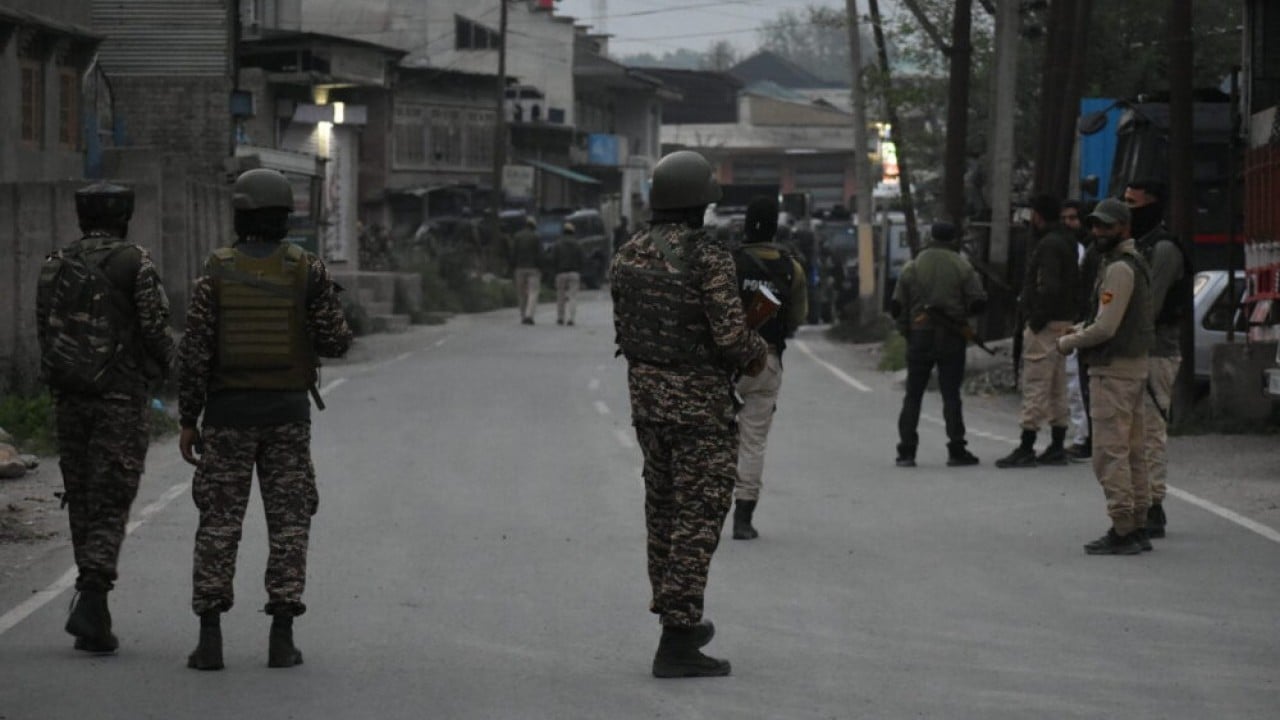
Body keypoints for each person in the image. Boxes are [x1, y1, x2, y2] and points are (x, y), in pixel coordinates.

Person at [178, 168, 353, 671]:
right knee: (289, 525)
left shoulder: (215, 268)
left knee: (218, 525)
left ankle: (209, 639)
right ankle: (282, 637)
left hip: (228, 416)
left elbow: (195, 353)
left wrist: (190, 419)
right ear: (285, 217)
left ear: (240, 214)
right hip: (287, 416)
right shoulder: (306, 269)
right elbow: (337, 340)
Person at [610, 150, 768, 679]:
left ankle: (674, 618)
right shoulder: (707, 257)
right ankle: (679, 639)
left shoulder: (627, 254)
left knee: (664, 513)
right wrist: (755, 344)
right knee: (698, 521)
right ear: (698, 205)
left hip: (647, 404)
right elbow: (728, 338)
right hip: (699, 408)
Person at [35, 181, 176, 654]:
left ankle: (90, 602)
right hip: (119, 396)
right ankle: (93, 596)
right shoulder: (135, 262)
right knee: (112, 495)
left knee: (81, 496)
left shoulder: (54, 264)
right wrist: (175, 372)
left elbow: (44, 332)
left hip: (69, 397)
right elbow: (155, 330)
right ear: (125, 216)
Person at [1057, 198, 1155, 555]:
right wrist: (1082, 327)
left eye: (1106, 226)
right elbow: (1112, 319)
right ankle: (1139, 524)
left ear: (1124, 228)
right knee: (1133, 451)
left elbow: (1107, 327)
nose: (1098, 232)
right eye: (1095, 225)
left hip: (1113, 371)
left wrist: (1068, 342)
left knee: (1109, 453)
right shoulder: (1132, 262)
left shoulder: (1118, 268)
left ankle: (1123, 527)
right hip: (1132, 368)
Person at [730, 197, 808, 540]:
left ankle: (706, 510)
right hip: (766, 362)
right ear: (776, 227)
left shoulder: (727, 263)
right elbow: (796, 318)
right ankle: (743, 519)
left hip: (724, 363)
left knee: (712, 438)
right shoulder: (792, 268)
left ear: (745, 224)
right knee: (753, 442)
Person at [891, 223, 988, 468]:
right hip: (952, 337)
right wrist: (962, 317)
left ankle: (906, 451)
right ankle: (956, 449)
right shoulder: (962, 266)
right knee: (951, 394)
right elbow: (978, 302)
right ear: (953, 238)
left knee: (913, 395)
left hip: (919, 335)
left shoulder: (912, 266)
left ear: (930, 237)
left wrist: (907, 331)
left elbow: (897, 306)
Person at [997, 194, 1081, 468]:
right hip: (1065, 322)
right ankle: (1057, 444)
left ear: (1038, 215)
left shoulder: (1048, 245)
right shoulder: (1067, 241)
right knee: (1058, 385)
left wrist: (1035, 319)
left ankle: (1026, 445)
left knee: (1036, 383)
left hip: (1046, 325)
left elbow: (1048, 286)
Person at [1124, 180, 1188, 539]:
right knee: (1133, 432)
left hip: (1156, 351)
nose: (1127, 208)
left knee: (1150, 431)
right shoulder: (1138, 247)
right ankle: (1140, 501)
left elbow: (1151, 306)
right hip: (1138, 351)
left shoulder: (1162, 249)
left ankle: (1154, 506)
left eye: (1133, 203)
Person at [1060, 200, 1093, 461]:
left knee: (1078, 383)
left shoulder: (1085, 251)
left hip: (1083, 323)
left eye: (1074, 218)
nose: (1069, 223)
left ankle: (1085, 437)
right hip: (1078, 322)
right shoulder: (1077, 249)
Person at [511, 216, 543, 325]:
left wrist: (513, 266)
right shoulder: (536, 237)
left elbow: (513, 253)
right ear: (534, 226)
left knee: (521, 294)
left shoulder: (517, 236)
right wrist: (541, 267)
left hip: (519, 268)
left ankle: (523, 315)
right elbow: (540, 254)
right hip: (533, 268)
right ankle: (529, 315)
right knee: (533, 292)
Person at [553, 221, 584, 326]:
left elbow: (554, 258)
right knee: (573, 297)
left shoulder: (558, 243)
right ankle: (571, 318)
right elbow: (582, 259)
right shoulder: (577, 244)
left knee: (560, 296)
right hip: (574, 273)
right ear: (573, 232)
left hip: (561, 273)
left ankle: (560, 318)